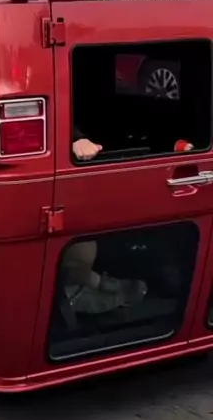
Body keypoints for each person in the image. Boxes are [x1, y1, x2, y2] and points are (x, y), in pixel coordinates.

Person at [62, 129, 194, 315]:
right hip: (85, 177)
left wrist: (178, 144)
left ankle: (101, 284)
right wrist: (75, 139)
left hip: (133, 175)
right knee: (80, 245)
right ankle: (82, 289)